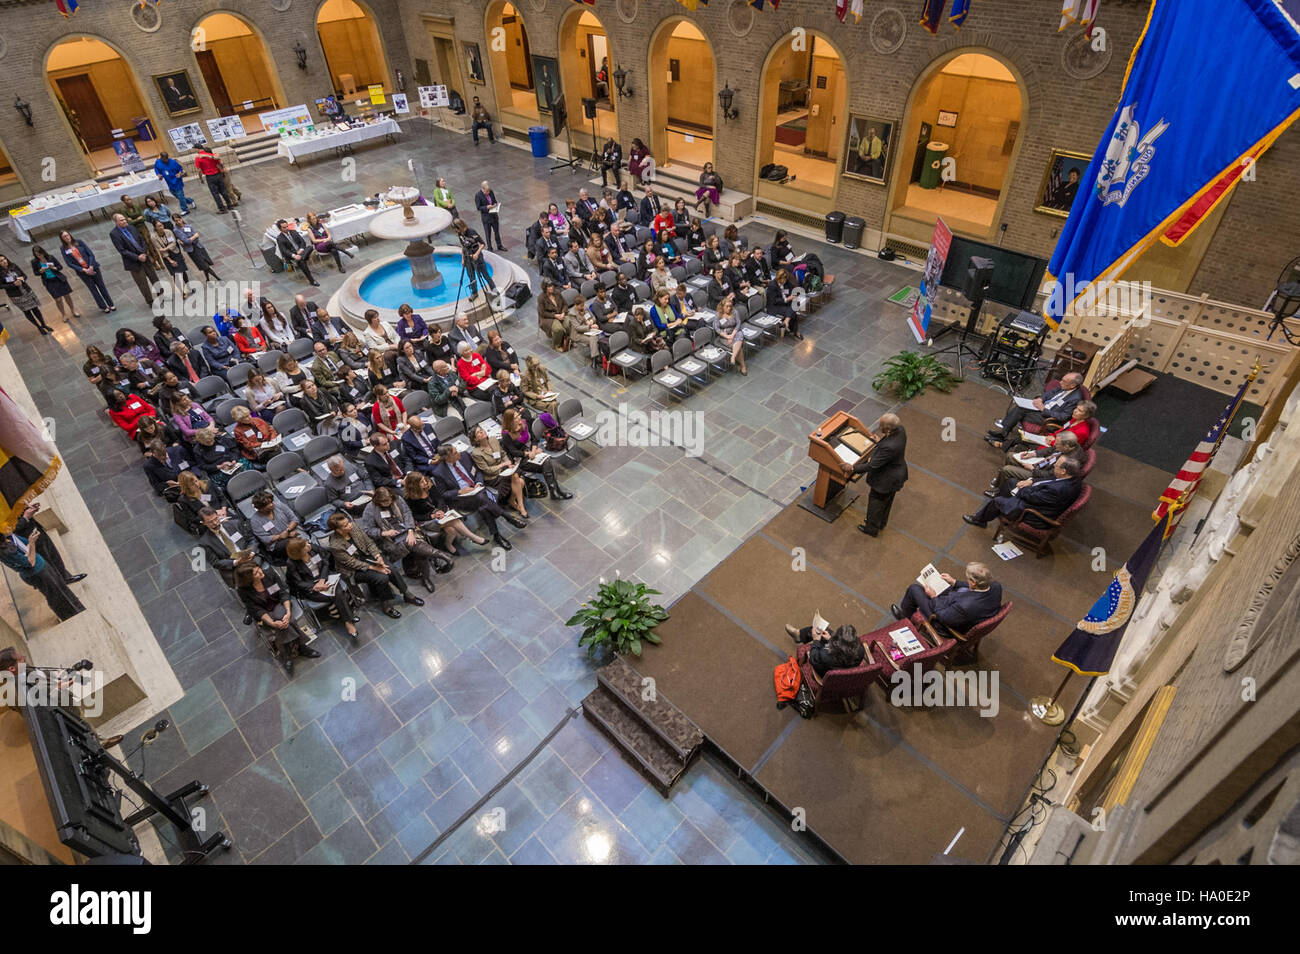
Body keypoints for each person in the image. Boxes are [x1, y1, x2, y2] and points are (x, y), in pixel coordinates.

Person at [326, 512, 424, 619]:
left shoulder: (354, 526)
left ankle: (407, 594)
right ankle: (386, 605)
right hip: (353, 569)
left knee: (391, 569)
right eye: (345, 525)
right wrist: (375, 568)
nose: (350, 525)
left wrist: (378, 557)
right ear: (338, 530)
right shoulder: (335, 545)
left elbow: (369, 542)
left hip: (368, 556)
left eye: (348, 522)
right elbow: (352, 563)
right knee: (381, 577)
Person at [429, 444, 525, 550]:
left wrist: (478, 482)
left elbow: (478, 471)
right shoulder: (439, 472)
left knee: (483, 505)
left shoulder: (465, 456)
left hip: (477, 490)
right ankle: (508, 517)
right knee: (482, 499)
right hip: (462, 499)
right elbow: (444, 494)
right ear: (447, 458)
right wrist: (460, 491)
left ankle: (497, 535)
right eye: (455, 453)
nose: (459, 453)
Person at [234, 563, 320, 677]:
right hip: (265, 613)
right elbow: (256, 609)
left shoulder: (269, 575)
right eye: (256, 573)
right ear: (248, 578)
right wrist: (272, 623)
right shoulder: (243, 590)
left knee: (284, 620)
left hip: (278, 604)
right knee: (288, 623)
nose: (260, 571)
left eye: (258, 568)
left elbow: (283, 593)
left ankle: (287, 656)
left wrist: (288, 612)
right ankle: (302, 647)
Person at [964, 457, 1084, 531]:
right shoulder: (1072, 476)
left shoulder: (1059, 489)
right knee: (1011, 482)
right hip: (1039, 497)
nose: (1053, 467)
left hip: (1034, 512)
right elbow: (1047, 479)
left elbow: (1032, 498)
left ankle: (979, 520)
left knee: (997, 501)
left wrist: (1022, 488)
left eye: (1056, 466)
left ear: (1063, 471)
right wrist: (1030, 481)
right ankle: (999, 509)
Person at [891, 562, 1003, 638]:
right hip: (966, 611)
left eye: (968, 579)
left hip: (944, 623)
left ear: (973, 583)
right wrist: (954, 582)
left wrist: (933, 597)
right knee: (946, 587)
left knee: (914, 589)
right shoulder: (996, 586)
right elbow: (976, 586)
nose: (967, 580)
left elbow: (942, 616)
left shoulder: (965, 605)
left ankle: (906, 620)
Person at [362, 486, 441, 593]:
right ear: (378, 501)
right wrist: (383, 533)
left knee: (414, 542)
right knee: (414, 545)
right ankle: (439, 557)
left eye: (389, 501)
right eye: (385, 503)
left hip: (405, 530)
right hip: (389, 539)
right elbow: (367, 530)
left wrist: (410, 530)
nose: (388, 504)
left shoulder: (397, 499)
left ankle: (424, 576)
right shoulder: (370, 508)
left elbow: (407, 513)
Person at [285, 537, 360, 643]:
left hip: (325, 578)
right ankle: (349, 619)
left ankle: (346, 620)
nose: (308, 544)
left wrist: (322, 579)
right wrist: (315, 586)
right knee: (337, 593)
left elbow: (325, 561)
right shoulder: (291, 563)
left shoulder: (313, 548)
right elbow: (298, 582)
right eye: (304, 545)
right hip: (311, 587)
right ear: (299, 552)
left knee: (336, 591)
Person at [0, 531, 84, 622]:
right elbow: (30, 562)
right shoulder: (6, 551)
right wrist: (32, 543)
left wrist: (17, 537)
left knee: (62, 588)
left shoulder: (9, 539)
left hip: (42, 567)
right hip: (38, 573)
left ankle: (78, 608)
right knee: (55, 595)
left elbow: (25, 544)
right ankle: (70, 616)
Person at [985, 372, 1086, 446]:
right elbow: (1049, 393)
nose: (1060, 382)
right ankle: (1003, 433)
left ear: (1073, 385)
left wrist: (1043, 409)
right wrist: (1041, 399)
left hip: (1048, 418)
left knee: (1021, 410)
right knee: (1021, 407)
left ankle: (1003, 436)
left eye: (1064, 381)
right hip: (1041, 408)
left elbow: (1063, 417)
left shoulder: (1075, 399)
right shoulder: (1064, 386)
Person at [849, 413, 907, 537]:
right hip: (896, 474)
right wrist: (879, 442)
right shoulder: (900, 430)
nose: (879, 426)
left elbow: (872, 465)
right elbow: (888, 442)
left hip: (886, 479)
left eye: (881, 425)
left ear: (888, 429)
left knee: (876, 503)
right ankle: (880, 523)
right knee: (887, 501)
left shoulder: (889, 447)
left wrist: (852, 468)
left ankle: (871, 528)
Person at [403, 471, 482, 554]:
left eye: (424, 480)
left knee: (451, 530)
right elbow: (415, 516)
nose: (425, 482)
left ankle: (448, 545)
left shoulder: (429, 486)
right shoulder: (409, 498)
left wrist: (440, 510)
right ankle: (474, 538)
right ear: (414, 485)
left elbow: (440, 499)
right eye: (421, 482)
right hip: (427, 521)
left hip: (440, 515)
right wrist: (432, 516)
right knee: (454, 521)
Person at [500, 408, 572, 500]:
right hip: (520, 459)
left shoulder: (523, 423)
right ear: (510, 420)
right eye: (516, 417)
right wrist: (528, 453)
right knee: (547, 465)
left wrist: (534, 450)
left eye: (518, 415)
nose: (519, 417)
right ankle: (555, 491)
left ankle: (555, 491)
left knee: (547, 462)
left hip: (531, 451)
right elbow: (514, 452)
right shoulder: (506, 434)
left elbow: (534, 439)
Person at [988, 431, 1084, 495]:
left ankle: (998, 491)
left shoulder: (1069, 460)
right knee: (1011, 455)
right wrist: (1032, 454)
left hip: (1040, 475)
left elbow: (1050, 476)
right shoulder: (1068, 444)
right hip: (1041, 463)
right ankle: (1001, 482)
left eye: (1057, 444)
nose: (1055, 445)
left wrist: (1032, 469)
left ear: (1066, 446)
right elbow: (1050, 450)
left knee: (1006, 470)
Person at [469, 424, 529, 521]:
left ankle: (513, 501)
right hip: (493, 477)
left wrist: (508, 464)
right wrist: (503, 465)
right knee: (518, 479)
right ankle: (519, 506)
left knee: (518, 478)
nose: (482, 432)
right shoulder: (476, 453)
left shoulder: (493, 439)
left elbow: (502, 454)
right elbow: (487, 470)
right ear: (475, 439)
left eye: (482, 430)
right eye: (478, 432)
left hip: (505, 470)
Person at [1000, 400, 1097, 455]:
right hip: (1052, 440)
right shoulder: (1074, 420)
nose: (1075, 411)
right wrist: (1051, 435)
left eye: (1080, 411)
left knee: (1025, 439)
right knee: (1024, 436)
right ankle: (1004, 445)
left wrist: (1052, 441)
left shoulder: (1082, 431)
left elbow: (1067, 447)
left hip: (1055, 449)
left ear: (1086, 415)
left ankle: (1004, 447)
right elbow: (1061, 430)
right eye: (1076, 408)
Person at [110, 213, 160, 306]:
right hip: (133, 262)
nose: (125, 221)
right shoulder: (114, 234)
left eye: (124, 219)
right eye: (121, 220)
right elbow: (122, 250)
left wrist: (144, 253)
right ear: (116, 222)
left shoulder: (132, 227)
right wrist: (137, 257)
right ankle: (150, 301)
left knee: (154, 277)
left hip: (145, 257)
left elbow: (142, 240)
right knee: (142, 283)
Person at [783, 622, 865, 679]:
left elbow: (813, 658)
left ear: (837, 644)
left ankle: (799, 635)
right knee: (823, 630)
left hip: (825, 673)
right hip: (845, 669)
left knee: (817, 633)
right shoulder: (860, 650)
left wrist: (816, 640)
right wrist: (830, 638)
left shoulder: (825, 656)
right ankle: (799, 634)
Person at [59, 230, 114, 313]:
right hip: (83, 272)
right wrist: (84, 270)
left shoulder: (79, 242)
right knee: (93, 289)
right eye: (64, 236)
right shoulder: (63, 249)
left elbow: (91, 254)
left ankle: (110, 304)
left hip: (93, 267)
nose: (67, 237)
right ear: (62, 239)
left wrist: (91, 266)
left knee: (101, 286)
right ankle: (103, 306)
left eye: (67, 235)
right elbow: (69, 263)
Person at [0, 256, 52, 335]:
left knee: (35, 308)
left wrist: (22, 279)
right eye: (1, 261)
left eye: (4, 259)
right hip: (16, 295)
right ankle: (38, 327)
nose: (4, 261)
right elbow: (1, 286)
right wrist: (13, 284)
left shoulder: (13, 266)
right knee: (27, 312)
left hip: (26, 290)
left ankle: (43, 324)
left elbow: (24, 275)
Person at [29, 246, 78, 321]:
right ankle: (63, 314)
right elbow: (36, 273)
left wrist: (54, 267)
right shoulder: (34, 262)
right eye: (37, 255)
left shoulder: (50, 257)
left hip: (59, 279)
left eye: (40, 254)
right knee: (58, 299)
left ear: (43, 252)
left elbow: (60, 267)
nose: (39, 256)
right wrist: (41, 271)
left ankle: (73, 310)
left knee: (67, 295)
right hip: (49, 282)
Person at [453, 218, 496, 299]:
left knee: (485, 275)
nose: (456, 232)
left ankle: (495, 291)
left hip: (477, 258)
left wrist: (476, 253)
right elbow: (463, 246)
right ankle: (474, 292)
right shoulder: (460, 234)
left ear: (460, 226)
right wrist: (463, 258)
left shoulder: (471, 231)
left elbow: (483, 244)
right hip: (468, 258)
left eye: (456, 229)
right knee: (471, 276)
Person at [170, 214, 219, 281]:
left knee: (205, 264)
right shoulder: (176, 230)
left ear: (181, 218)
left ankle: (207, 279)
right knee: (204, 266)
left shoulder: (188, 226)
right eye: (176, 221)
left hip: (199, 246)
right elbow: (187, 241)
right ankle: (218, 278)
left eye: (179, 219)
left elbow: (195, 238)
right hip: (192, 250)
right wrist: (193, 237)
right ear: (174, 222)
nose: (179, 222)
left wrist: (191, 239)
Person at [275, 219, 319, 286]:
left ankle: (301, 258)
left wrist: (301, 250)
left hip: (302, 252)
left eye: (287, 226)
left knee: (310, 247)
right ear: (280, 229)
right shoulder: (280, 238)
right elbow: (284, 250)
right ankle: (312, 280)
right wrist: (294, 255)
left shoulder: (294, 232)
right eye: (284, 227)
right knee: (302, 262)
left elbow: (303, 242)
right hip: (293, 255)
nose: (286, 228)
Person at [153, 221, 191, 298]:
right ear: (155, 228)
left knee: (183, 271)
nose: (162, 227)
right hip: (167, 257)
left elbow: (173, 243)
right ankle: (182, 292)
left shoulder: (168, 232)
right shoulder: (154, 237)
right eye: (159, 226)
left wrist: (166, 248)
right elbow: (160, 250)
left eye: (162, 225)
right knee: (175, 275)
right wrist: (170, 260)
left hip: (176, 253)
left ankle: (189, 287)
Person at [194, 145, 234, 212]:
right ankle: (229, 205)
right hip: (218, 174)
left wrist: (200, 178)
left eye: (195, 149)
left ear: (197, 149)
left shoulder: (198, 158)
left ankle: (222, 208)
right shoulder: (211, 154)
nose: (195, 151)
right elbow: (220, 163)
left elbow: (199, 170)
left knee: (215, 193)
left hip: (210, 177)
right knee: (223, 191)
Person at [714, 297, 746, 376]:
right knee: (739, 348)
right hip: (724, 335)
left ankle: (733, 357)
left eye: (730, 306)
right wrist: (727, 337)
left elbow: (738, 323)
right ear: (723, 306)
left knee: (739, 337)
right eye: (727, 306)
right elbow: (717, 328)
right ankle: (743, 366)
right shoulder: (718, 315)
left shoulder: (734, 312)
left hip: (735, 332)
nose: (729, 308)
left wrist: (732, 335)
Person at [474, 180, 505, 251]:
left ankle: (499, 245)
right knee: (488, 234)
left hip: (494, 215)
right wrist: (486, 207)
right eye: (487, 191)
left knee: (497, 232)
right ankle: (490, 248)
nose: (488, 192)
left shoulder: (491, 191)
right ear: (483, 189)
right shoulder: (478, 195)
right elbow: (478, 207)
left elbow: (494, 200)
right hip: (486, 218)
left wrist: (495, 204)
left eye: (489, 191)